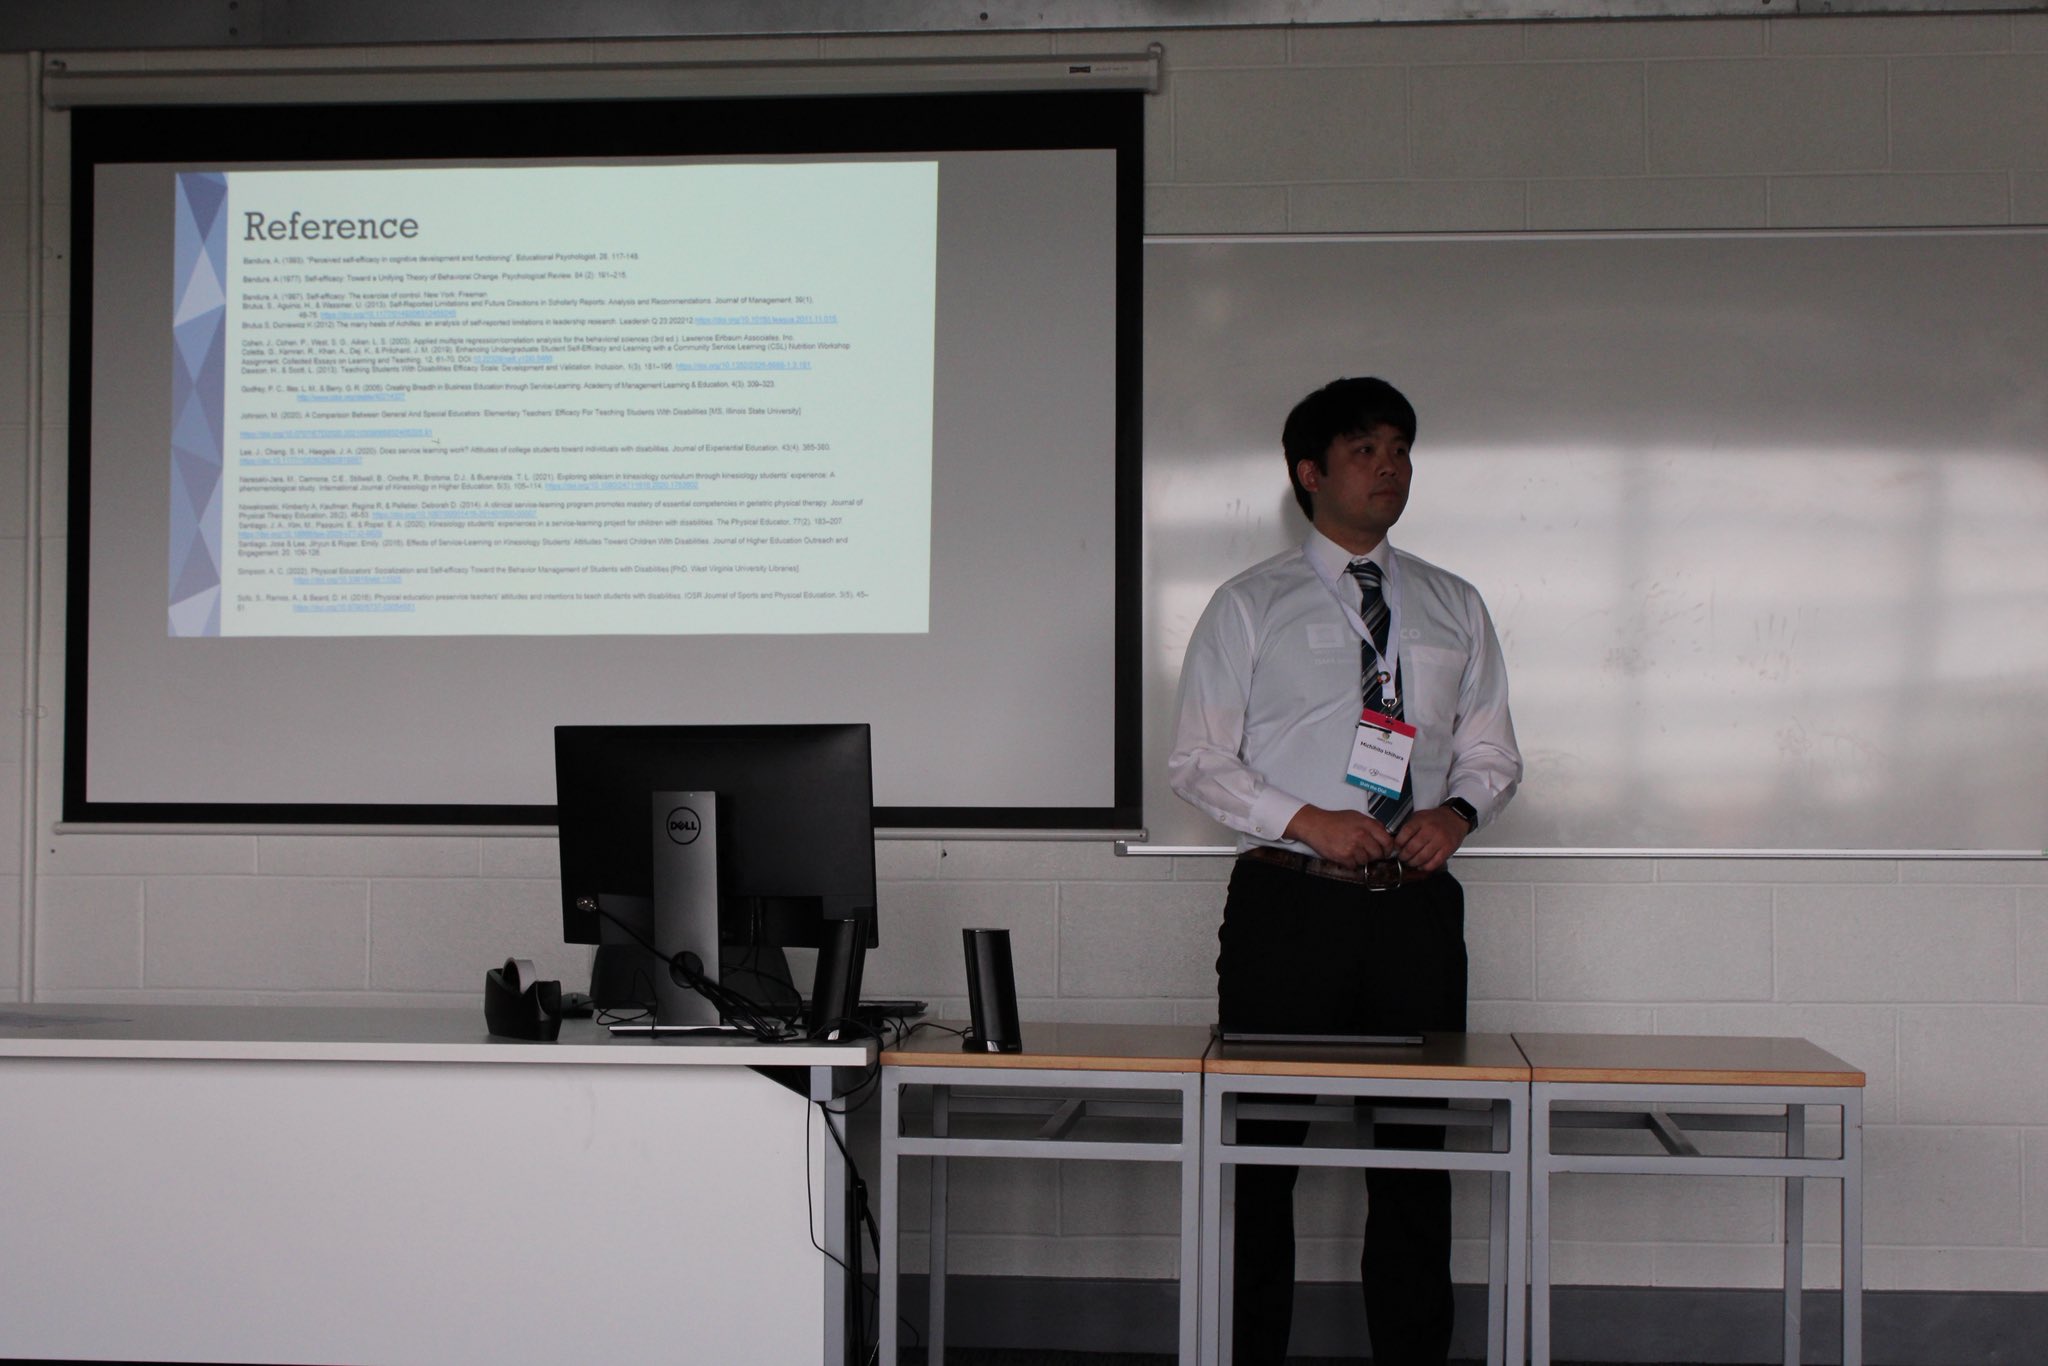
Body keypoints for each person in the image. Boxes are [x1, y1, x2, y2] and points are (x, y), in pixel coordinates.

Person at [1167, 376, 1522, 1366]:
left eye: (1401, 449)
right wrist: (1306, 820)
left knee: (1413, 1161)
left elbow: (1491, 752)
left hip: (1414, 912)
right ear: (1307, 472)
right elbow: (1196, 759)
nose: (1390, 467)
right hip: (1291, 906)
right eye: (1365, 449)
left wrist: (1455, 814)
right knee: (1259, 1159)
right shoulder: (1247, 606)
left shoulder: (1453, 603)